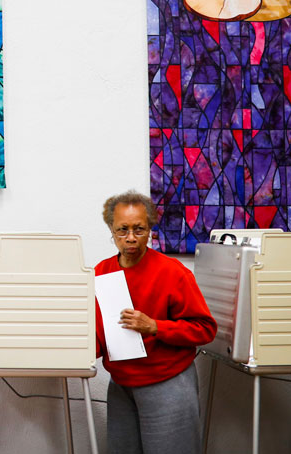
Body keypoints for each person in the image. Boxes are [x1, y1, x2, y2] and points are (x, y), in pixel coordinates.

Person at [94, 190, 217, 454]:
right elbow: (97, 333)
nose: (130, 238)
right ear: (111, 230)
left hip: (167, 382)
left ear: (150, 229)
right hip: (121, 385)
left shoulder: (173, 273)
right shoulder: (101, 272)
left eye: (139, 229)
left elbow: (205, 329)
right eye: (122, 230)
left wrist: (155, 326)